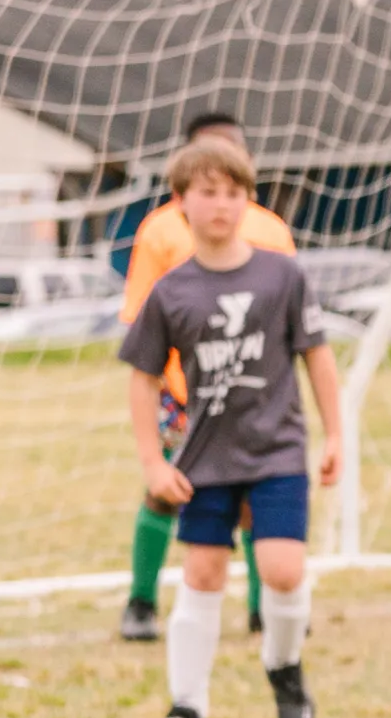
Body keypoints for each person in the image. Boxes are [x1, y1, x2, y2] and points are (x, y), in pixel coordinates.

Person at [117, 135, 341, 718]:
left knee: (284, 571)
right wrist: (152, 463)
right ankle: (186, 708)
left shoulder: (282, 276)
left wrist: (335, 434)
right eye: (207, 193)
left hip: (276, 449)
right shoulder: (172, 290)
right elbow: (141, 380)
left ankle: (284, 665)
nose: (220, 205)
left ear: (250, 200)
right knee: (203, 573)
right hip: (206, 455)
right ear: (180, 203)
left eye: (233, 192)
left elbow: (317, 358)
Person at [116, 110, 293, 643]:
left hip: (251, 399)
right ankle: (141, 602)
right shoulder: (162, 231)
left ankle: (265, 610)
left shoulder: (269, 231)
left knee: (253, 503)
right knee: (168, 491)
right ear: (185, 176)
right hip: (181, 395)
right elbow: (141, 323)